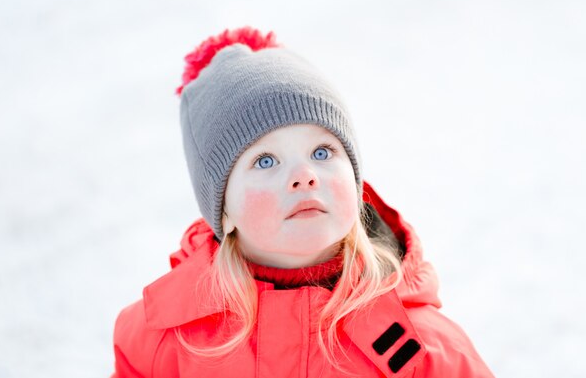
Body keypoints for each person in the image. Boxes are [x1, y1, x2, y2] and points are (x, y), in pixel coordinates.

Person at [111, 26, 495, 378]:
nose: (304, 175)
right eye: (265, 161)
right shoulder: (165, 339)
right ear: (222, 211)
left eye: (323, 152)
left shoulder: (420, 350)